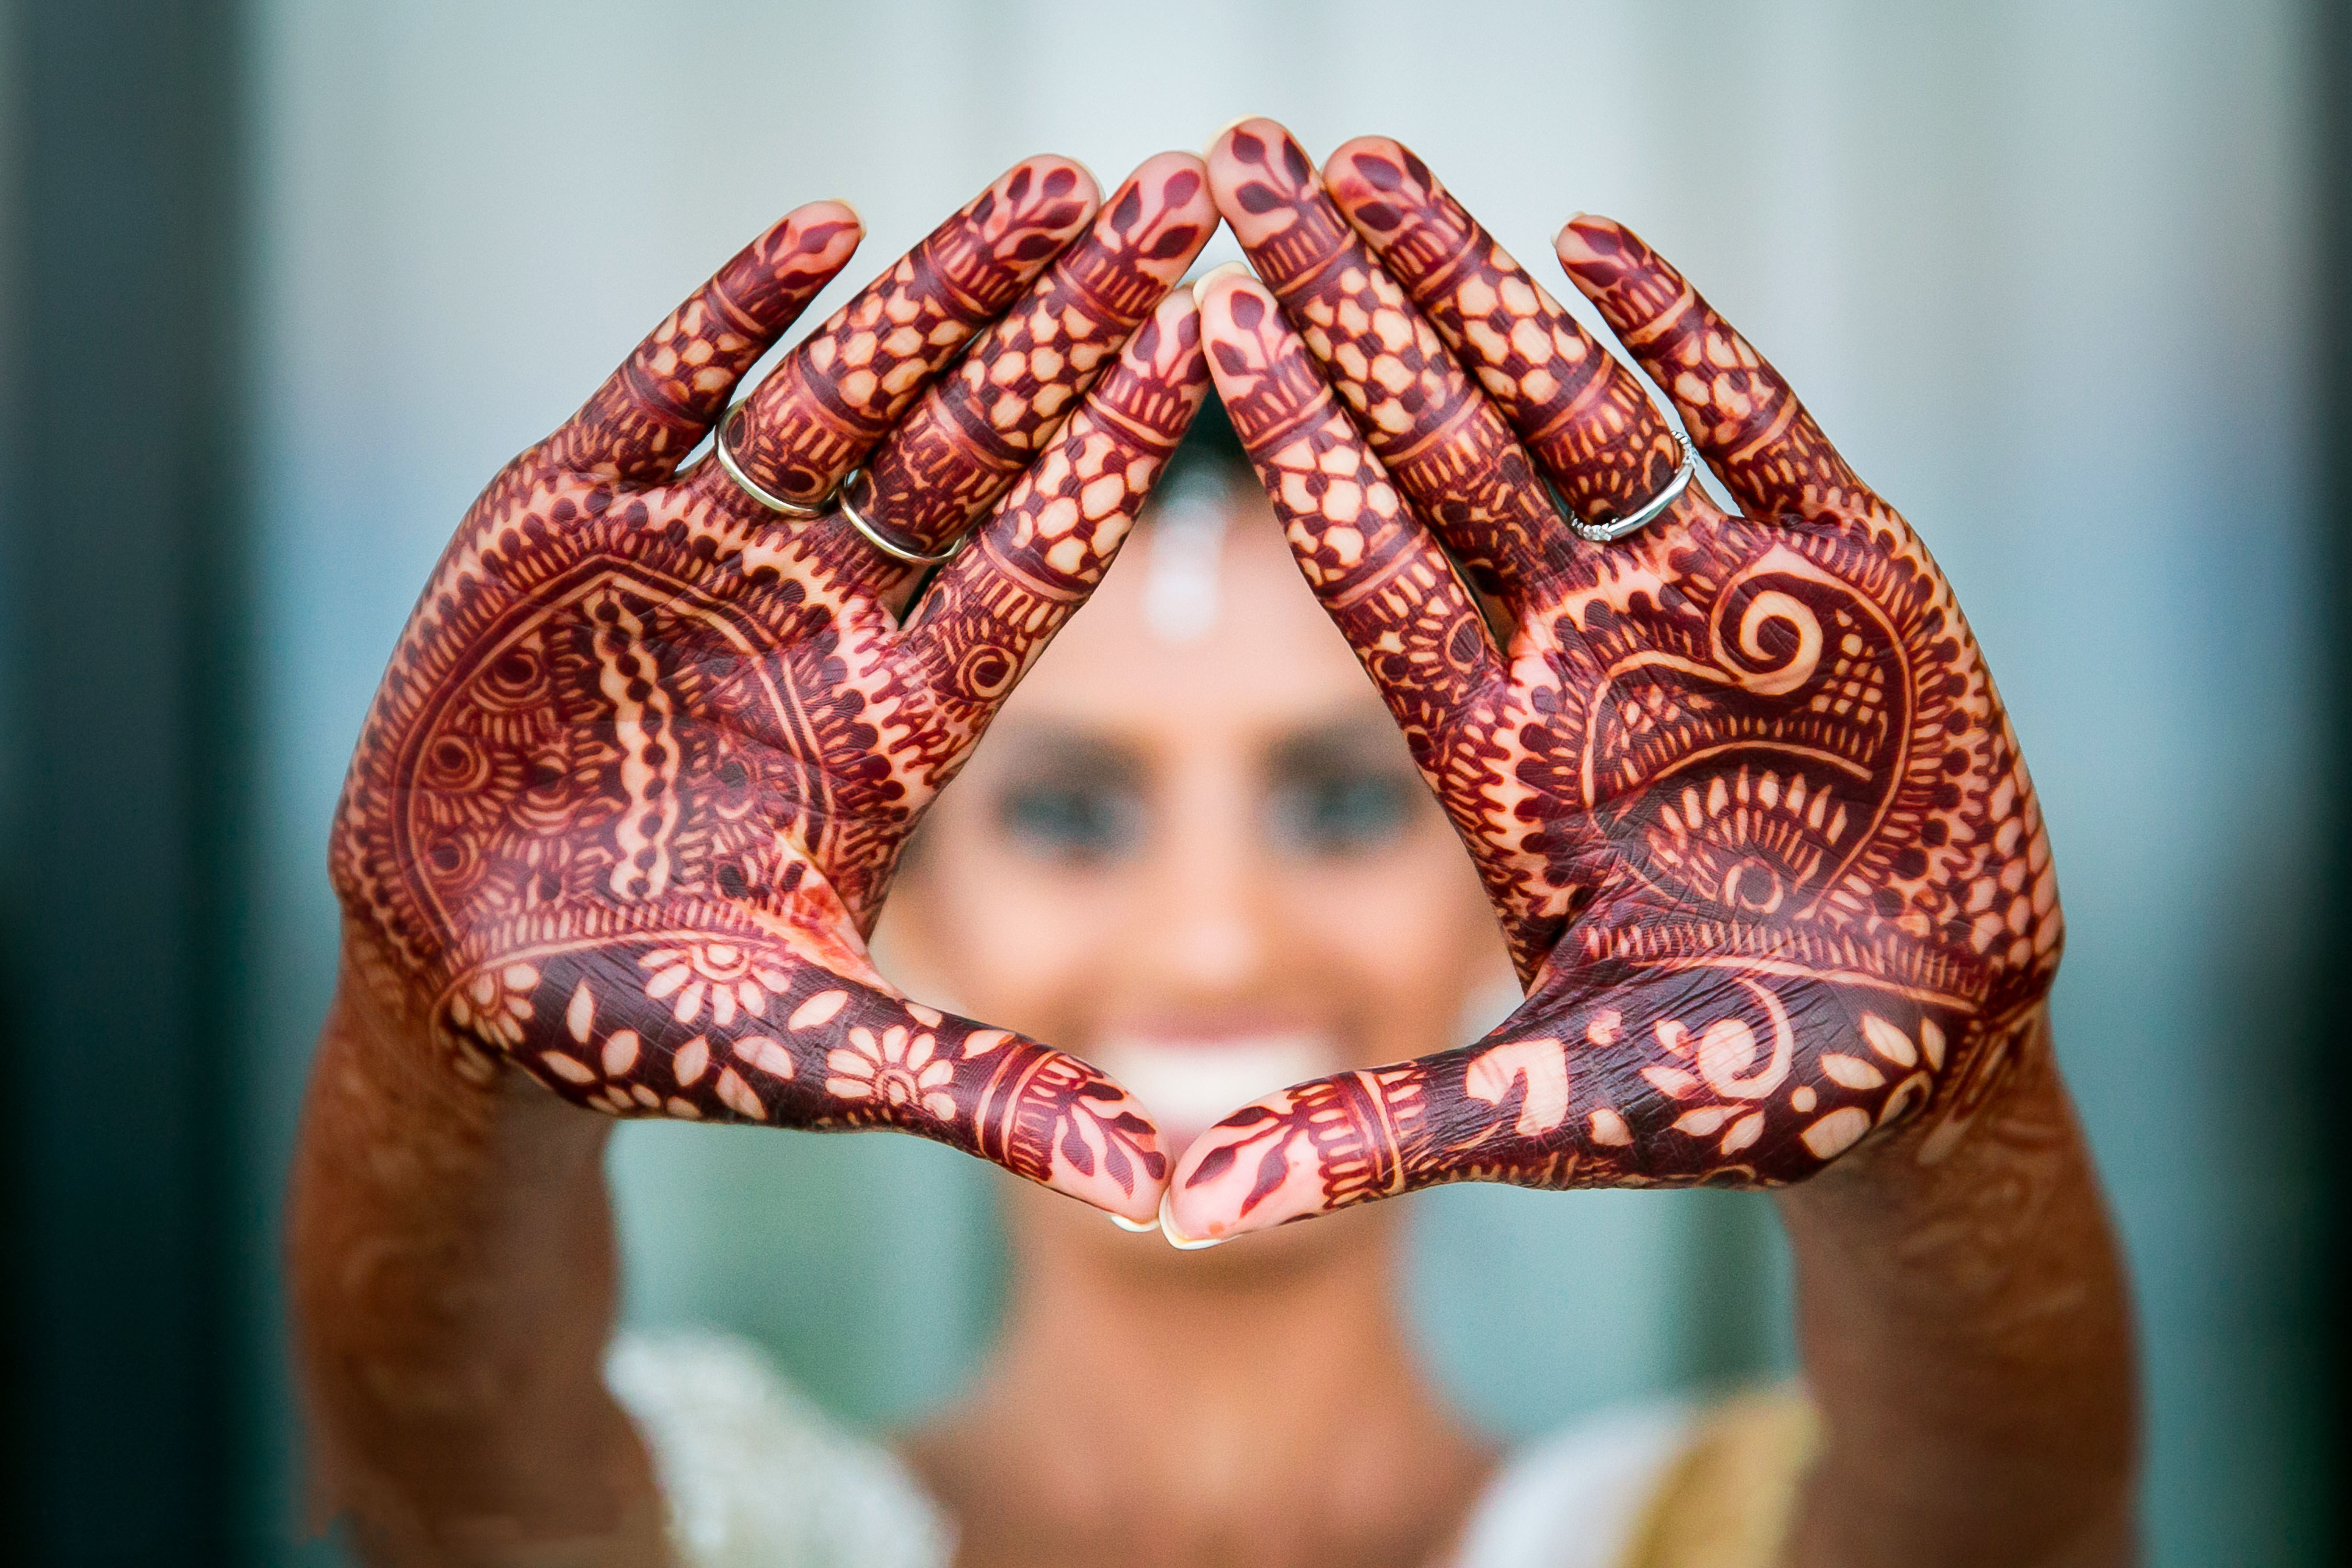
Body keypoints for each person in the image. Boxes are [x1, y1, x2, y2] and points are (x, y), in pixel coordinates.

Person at [290, 122, 2137, 1567]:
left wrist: (1951, 1138)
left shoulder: (1680, 1531)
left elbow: (2009, 1524)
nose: (1212, 939)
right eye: (1068, 813)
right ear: (875, 899)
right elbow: (444, 1465)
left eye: (1341, 804)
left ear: (1519, 898)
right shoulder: (745, 1530)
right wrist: (433, 1058)